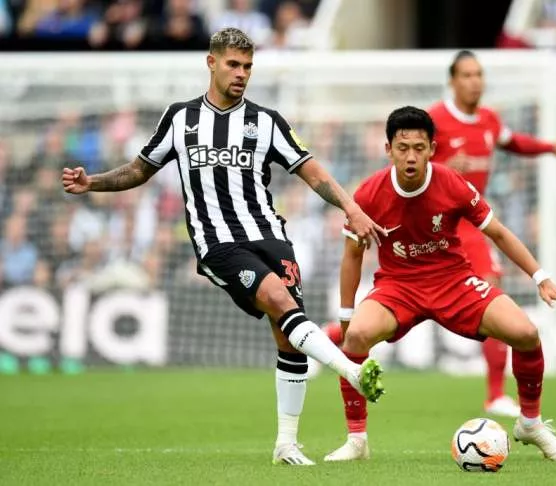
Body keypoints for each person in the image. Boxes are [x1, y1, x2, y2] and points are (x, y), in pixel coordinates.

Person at [61, 27, 385, 466]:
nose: (242, 74)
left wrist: (351, 207)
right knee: (279, 300)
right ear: (211, 62)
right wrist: (92, 183)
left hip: (271, 236)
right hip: (218, 244)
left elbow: (312, 172)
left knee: (287, 337)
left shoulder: (266, 121)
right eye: (234, 64)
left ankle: (286, 444)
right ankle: (351, 370)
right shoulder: (180, 119)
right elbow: (140, 170)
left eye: (248, 66)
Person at [325, 50, 556, 418]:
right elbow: (418, 174)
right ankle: (328, 339)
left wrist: (549, 147)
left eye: (479, 74)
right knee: (366, 328)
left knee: (499, 299)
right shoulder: (433, 122)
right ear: (452, 80)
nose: (474, 81)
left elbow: (514, 143)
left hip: (469, 221)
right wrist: (446, 167)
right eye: (466, 74)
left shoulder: (490, 120)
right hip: (435, 230)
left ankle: (496, 395)